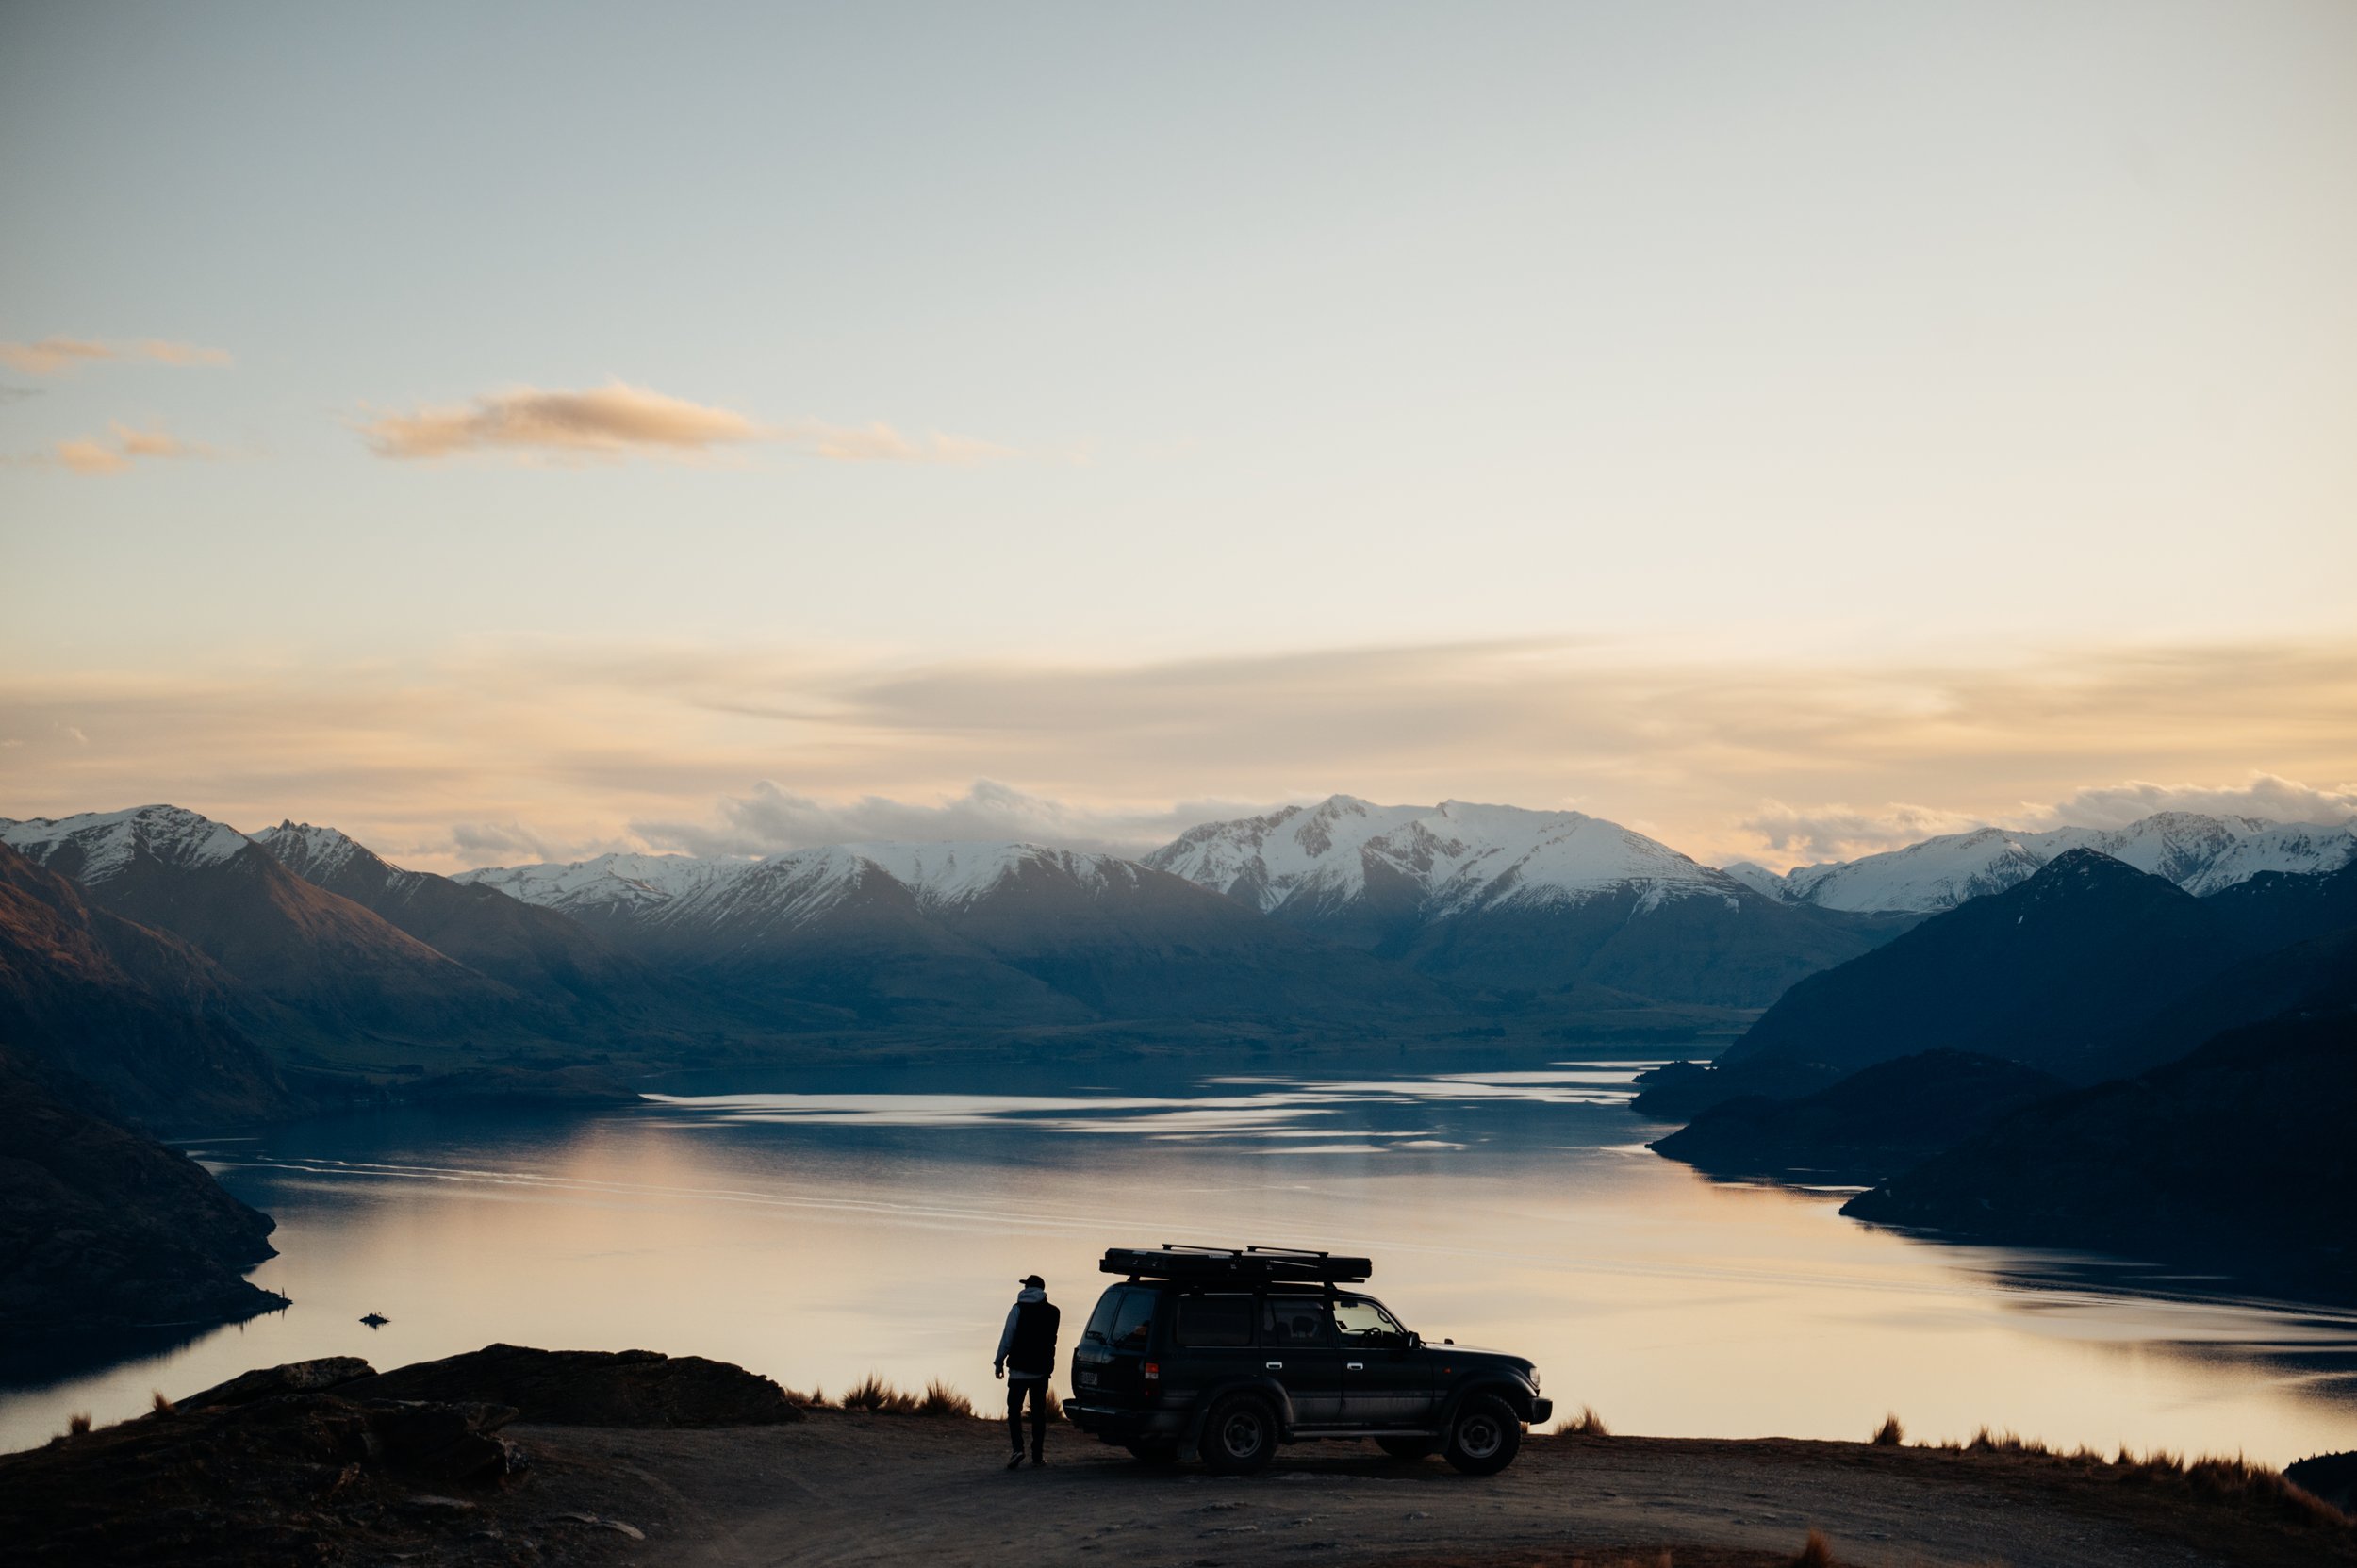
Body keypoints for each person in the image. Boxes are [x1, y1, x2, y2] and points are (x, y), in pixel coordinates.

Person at [994, 1272, 1060, 1469]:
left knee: (1014, 1410)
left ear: (1027, 1288)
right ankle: (1037, 1456)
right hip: (1040, 1371)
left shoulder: (1017, 1309)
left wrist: (998, 1363)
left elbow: (1007, 1338)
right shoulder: (1054, 1312)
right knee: (1039, 1413)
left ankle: (1018, 1449)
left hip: (1018, 1371)